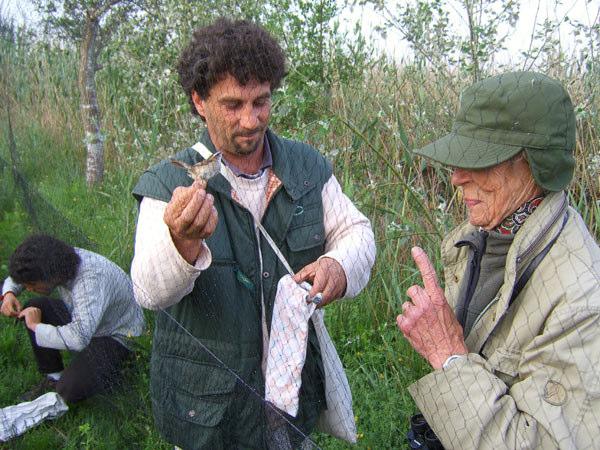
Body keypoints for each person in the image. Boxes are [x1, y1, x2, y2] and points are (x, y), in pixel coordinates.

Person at [131, 18, 376, 449]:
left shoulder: (305, 167)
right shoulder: (165, 185)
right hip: (209, 412)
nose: (250, 119)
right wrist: (183, 244)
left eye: (261, 101)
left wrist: (338, 264)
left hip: (289, 391)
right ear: (199, 101)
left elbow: (356, 230)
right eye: (233, 104)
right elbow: (149, 292)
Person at [396, 71, 600, 449]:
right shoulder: (487, 234)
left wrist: (448, 357)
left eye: (479, 160)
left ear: (534, 164)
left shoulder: (580, 297)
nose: (455, 177)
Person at [1, 234, 145, 403]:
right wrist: (9, 293)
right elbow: (25, 273)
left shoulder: (90, 281)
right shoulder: (59, 260)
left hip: (117, 335)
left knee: (67, 390)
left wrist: (36, 326)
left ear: (49, 275)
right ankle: (54, 376)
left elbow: (78, 338)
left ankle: (119, 370)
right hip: (90, 319)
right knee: (35, 306)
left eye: (31, 284)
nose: (29, 288)